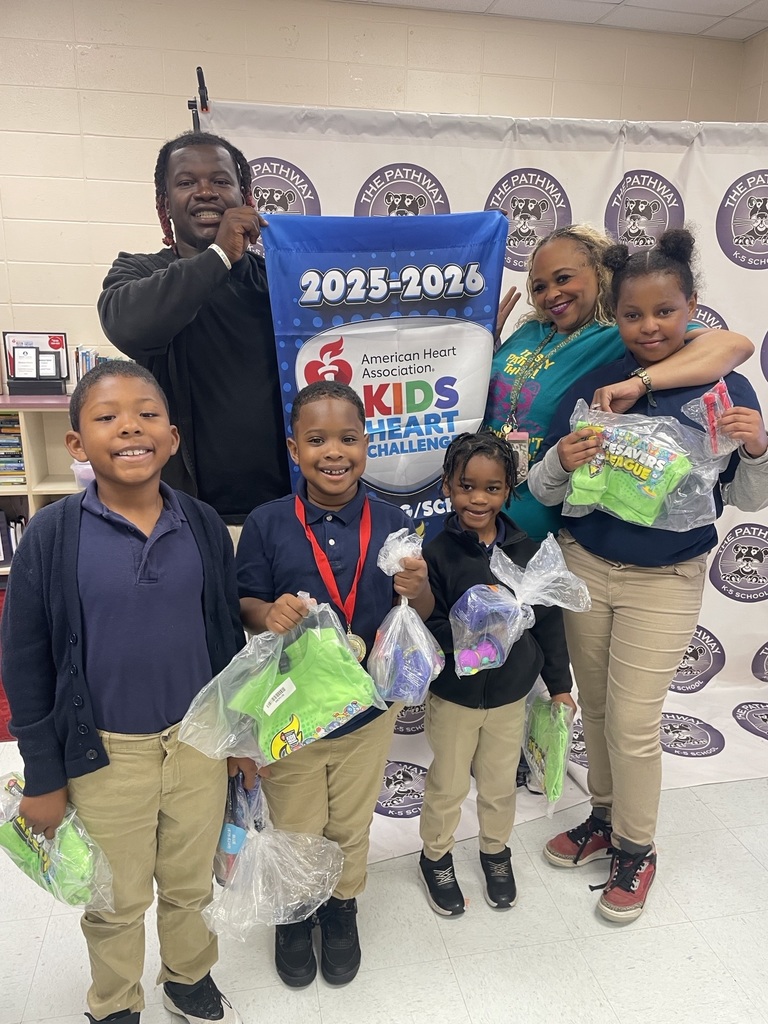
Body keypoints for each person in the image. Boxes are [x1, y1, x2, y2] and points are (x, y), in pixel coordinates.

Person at [527, 229, 768, 922]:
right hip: (586, 567)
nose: (650, 326)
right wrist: (562, 462)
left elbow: (749, 500)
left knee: (633, 723)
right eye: (634, 315)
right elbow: (545, 491)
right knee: (597, 712)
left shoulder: (726, 385)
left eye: (665, 311)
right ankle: (604, 818)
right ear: (616, 314)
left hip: (666, 580)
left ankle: (637, 848)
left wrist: (755, 447)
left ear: (692, 306)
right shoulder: (591, 386)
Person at [0, 361, 251, 1024]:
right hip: (105, 754)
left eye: (146, 414)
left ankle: (188, 974)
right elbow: (25, 664)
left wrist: (237, 738)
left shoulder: (201, 526)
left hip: (197, 742)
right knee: (114, 897)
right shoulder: (53, 538)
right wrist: (44, 776)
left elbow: (226, 640)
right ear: (77, 443)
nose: (130, 426)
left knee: (192, 882)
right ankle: (114, 1002)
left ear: (171, 437)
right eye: (107, 417)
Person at [236, 380, 434, 987]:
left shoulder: (396, 522)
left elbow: (419, 612)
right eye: (317, 439)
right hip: (291, 713)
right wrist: (265, 612)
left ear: (366, 446)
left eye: (348, 438)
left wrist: (417, 588)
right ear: (294, 450)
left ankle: (342, 908)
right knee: (296, 822)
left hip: (366, 715)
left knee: (349, 821)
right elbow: (243, 601)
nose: (334, 452)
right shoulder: (269, 522)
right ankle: (296, 912)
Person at [485, 224, 755, 543]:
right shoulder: (530, 331)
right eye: (539, 286)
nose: (551, 294)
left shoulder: (622, 330)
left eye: (563, 278)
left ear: (599, 273)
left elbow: (732, 345)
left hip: (538, 527)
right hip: (482, 509)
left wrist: (640, 383)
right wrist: (484, 344)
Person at [417, 431, 575, 916]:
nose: (478, 498)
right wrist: (477, 635)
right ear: (447, 486)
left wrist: (561, 686)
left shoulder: (528, 550)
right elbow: (428, 624)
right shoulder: (435, 553)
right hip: (454, 697)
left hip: (509, 697)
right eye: (467, 486)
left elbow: (548, 622)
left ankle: (494, 850)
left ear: (509, 490)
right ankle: (435, 855)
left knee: (500, 781)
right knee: (447, 782)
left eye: (492, 488)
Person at [98, 130, 290, 525]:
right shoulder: (140, 272)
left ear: (246, 198)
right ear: (165, 203)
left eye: (221, 181)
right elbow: (130, 326)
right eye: (187, 183)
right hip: (184, 516)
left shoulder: (279, 278)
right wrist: (220, 254)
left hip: (281, 513)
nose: (205, 192)